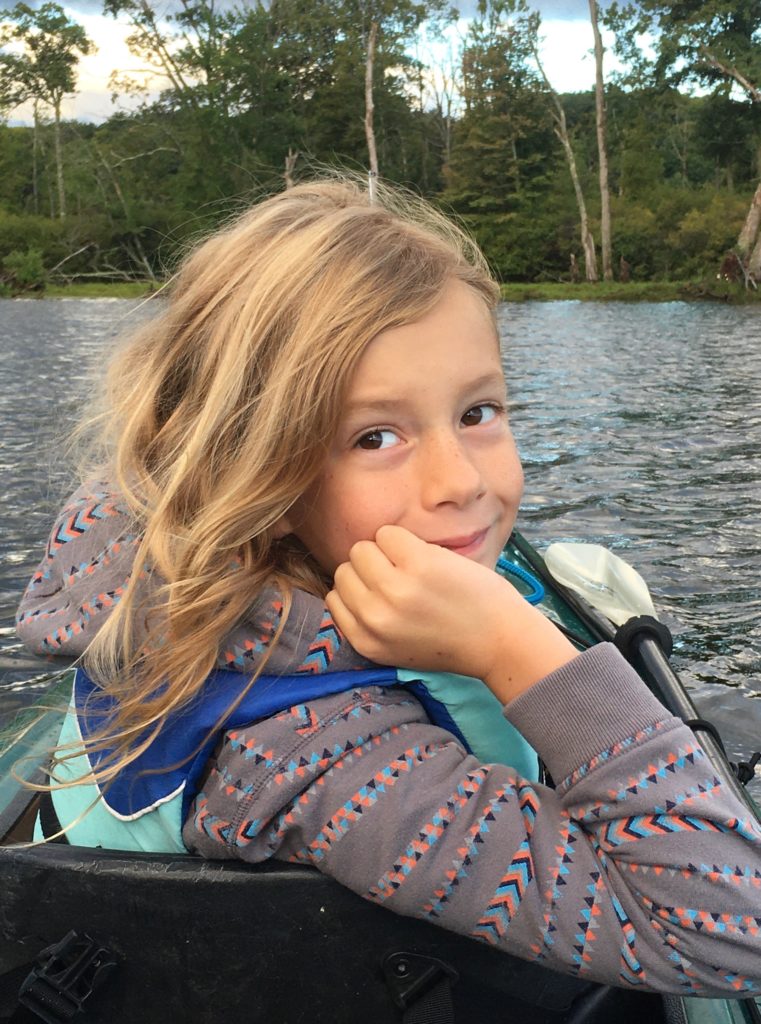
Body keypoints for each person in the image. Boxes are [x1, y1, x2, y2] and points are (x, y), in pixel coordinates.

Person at [16, 177, 761, 997]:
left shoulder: (271, 558)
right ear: (251, 471)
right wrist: (518, 650)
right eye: (376, 435)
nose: (459, 482)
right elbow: (729, 937)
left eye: (477, 412)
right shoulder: (310, 753)